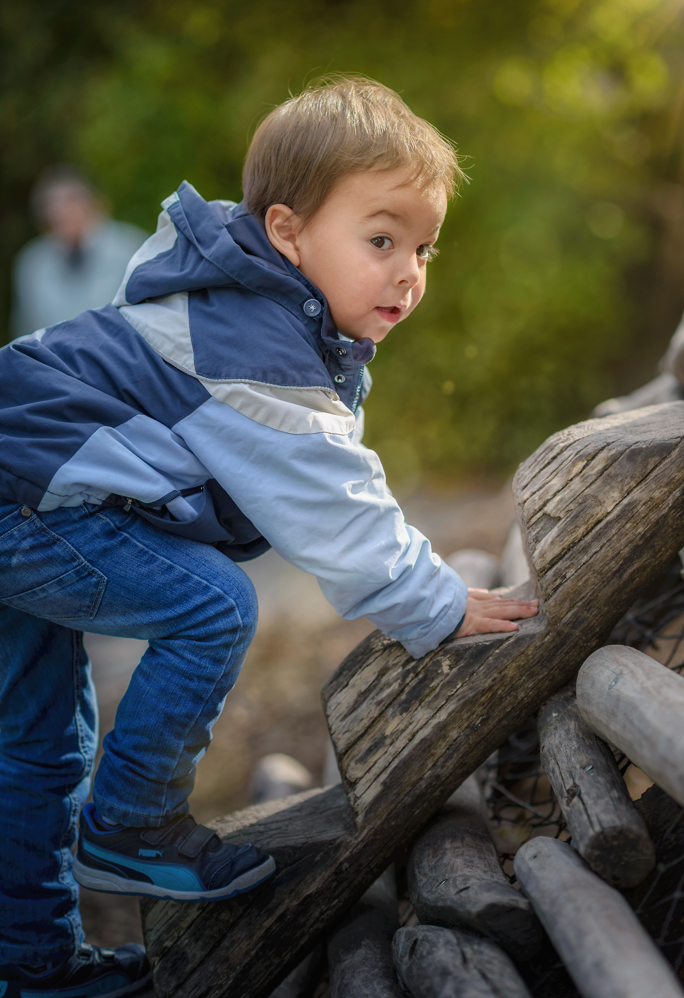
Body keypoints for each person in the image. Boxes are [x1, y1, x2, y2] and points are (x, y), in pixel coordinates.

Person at [0, 77, 538, 995]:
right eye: (381, 240)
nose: (409, 270)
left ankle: (33, 969)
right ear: (287, 233)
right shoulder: (247, 345)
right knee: (209, 602)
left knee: (36, 738)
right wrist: (436, 604)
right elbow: (332, 502)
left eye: (423, 247)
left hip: (27, 492)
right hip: (24, 505)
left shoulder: (240, 308)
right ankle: (131, 825)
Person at [10, 166, 146, 338]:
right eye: (51, 205)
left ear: (94, 204)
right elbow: (25, 331)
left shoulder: (131, 247)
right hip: (54, 361)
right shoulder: (32, 263)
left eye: (71, 201)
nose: (60, 210)